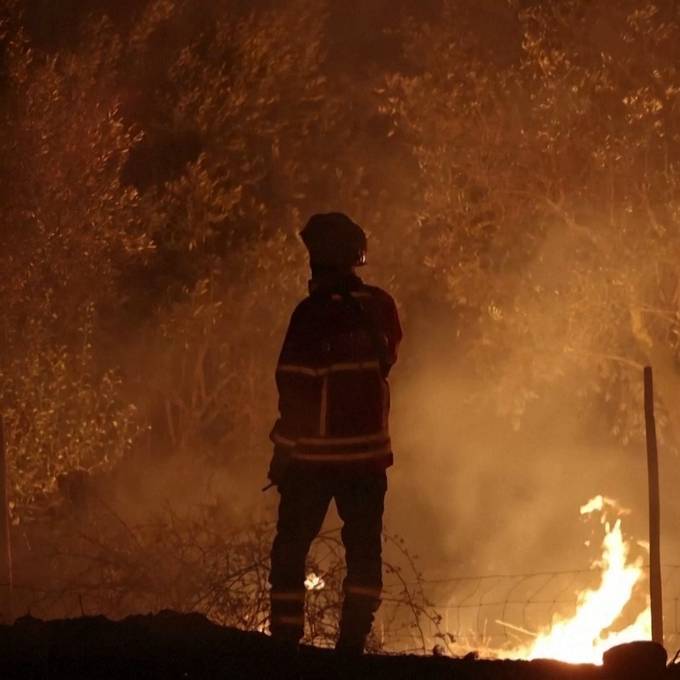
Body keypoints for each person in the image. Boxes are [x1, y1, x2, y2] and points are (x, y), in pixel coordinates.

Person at [267, 212, 402, 657]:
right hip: (368, 460)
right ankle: (352, 647)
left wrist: (283, 453)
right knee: (364, 556)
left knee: (290, 553)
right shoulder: (380, 307)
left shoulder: (310, 316)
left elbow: (294, 387)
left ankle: (286, 645)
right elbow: (389, 356)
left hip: (313, 461)